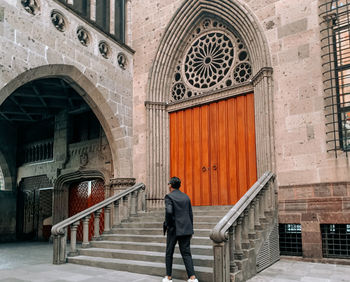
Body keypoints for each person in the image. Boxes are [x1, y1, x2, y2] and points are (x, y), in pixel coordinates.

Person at [162, 177, 198, 282]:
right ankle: (192, 277)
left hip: (174, 229)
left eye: (169, 184)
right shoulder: (186, 197)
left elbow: (169, 212)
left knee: (169, 252)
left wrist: (168, 224)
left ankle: (168, 277)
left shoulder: (169, 197)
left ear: (170, 185)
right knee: (186, 253)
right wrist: (191, 229)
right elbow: (190, 214)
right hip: (186, 229)